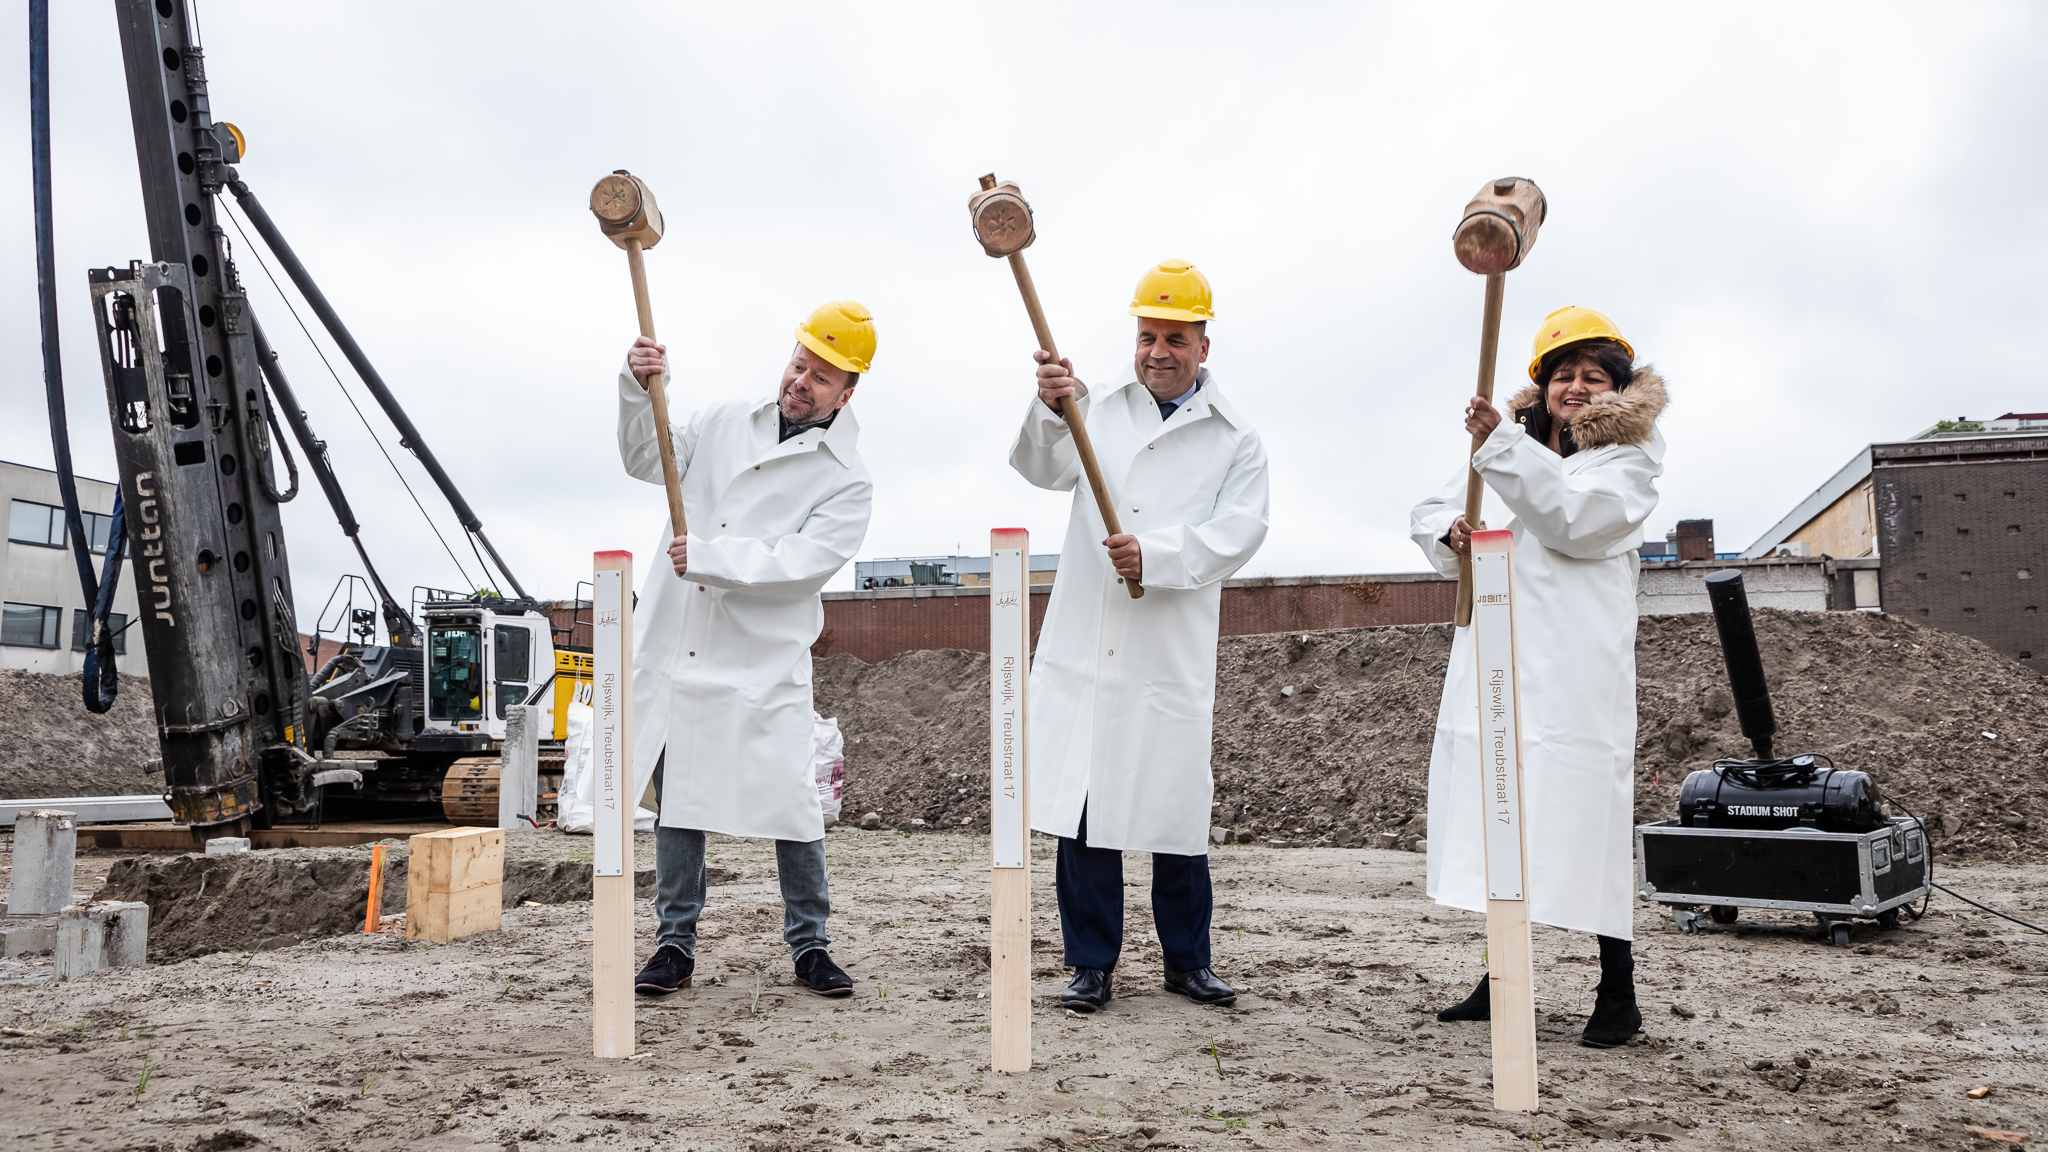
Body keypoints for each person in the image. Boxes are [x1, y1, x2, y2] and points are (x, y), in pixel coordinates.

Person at [1010, 260, 1270, 1013]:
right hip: (1091, 642)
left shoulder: (1237, 438)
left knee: (1174, 812)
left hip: (1168, 648)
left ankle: (1188, 961)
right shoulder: (1100, 409)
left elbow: (1240, 532)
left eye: (1175, 338)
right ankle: (1090, 963)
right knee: (1084, 814)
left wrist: (1157, 557)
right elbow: (1041, 466)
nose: (1159, 351)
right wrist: (1051, 406)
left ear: (1203, 345)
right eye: (1148, 336)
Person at [1408, 305, 1668, 1048]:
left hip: (1574, 673)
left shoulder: (1630, 460)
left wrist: (1498, 450)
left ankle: (1618, 994)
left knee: (1585, 829)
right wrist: (1447, 531)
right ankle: (1501, 980)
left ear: (1618, 388)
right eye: (1563, 376)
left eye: (1593, 376)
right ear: (1542, 386)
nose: (1576, 388)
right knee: (1504, 822)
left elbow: (1572, 520)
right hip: (1499, 660)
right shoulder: (1507, 447)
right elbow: (1434, 504)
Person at [619, 301, 877, 999]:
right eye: (799, 365)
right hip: (685, 641)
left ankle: (811, 946)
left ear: (846, 393)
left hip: (763, 658)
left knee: (791, 803)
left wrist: (708, 555)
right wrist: (639, 386)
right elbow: (648, 457)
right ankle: (674, 944)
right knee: (681, 801)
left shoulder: (847, 479)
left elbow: (801, 561)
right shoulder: (726, 421)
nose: (801, 382)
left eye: (821, 377)